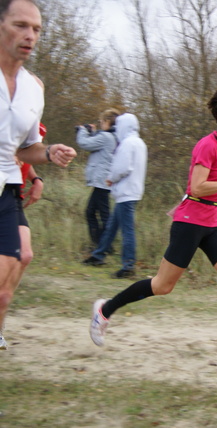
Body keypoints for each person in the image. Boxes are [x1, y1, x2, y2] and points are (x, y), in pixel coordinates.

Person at [89, 84, 217, 364]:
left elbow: (208, 186)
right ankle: (104, 310)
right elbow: (197, 186)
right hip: (189, 223)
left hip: (210, 221)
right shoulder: (207, 145)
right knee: (162, 285)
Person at [1, 0, 76, 350]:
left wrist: (48, 154)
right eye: (20, 25)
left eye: (36, 29)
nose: (30, 35)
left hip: (7, 189)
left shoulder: (34, 88)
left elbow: (25, 148)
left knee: (7, 275)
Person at [82, 113, 147, 278]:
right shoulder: (139, 143)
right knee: (111, 227)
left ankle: (128, 266)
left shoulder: (127, 143)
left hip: (126, 191)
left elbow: (122, 167)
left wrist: (110, 178)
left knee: (127, 230)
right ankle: (99, 255)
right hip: (132, 191)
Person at [76, 108, 120, 250]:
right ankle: (102, 245)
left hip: (102, 182)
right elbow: (96, 144)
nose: (101, 124)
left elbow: (85, 144)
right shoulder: (113, 137)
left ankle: (103, 246)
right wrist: (93, 132)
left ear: (107, 121)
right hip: (103, 181)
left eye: (101, 122)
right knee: (96, 213)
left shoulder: (107, 137)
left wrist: (82, 130)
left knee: (98, 214)